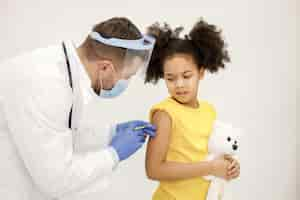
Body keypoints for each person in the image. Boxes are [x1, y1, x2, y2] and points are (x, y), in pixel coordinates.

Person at [0, 17, 156, 200]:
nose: (123, 84)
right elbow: (56, 180)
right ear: (105, 67)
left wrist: (110, 133)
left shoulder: (64, 73)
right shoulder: (47, 85)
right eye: (126, 77)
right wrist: (113, 155)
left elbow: (60, 133)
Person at [144, 19, 240, 200]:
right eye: (170, 78)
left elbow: (209, 154)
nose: (179, 85)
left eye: (186, 76)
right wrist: (211, 168)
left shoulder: (209, 110)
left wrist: (229, 165)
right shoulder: (165, 114)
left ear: (201, 73)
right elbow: (153, 169)